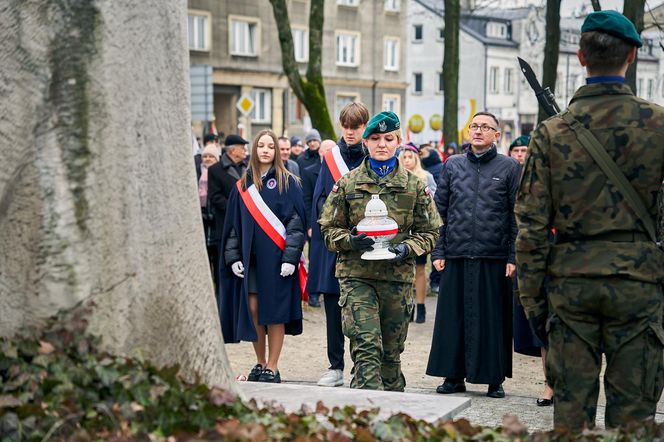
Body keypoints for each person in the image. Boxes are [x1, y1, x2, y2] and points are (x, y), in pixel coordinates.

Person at [515, 10, 664, 430]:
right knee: (634, 422)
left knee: (572, 422)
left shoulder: (550, 133)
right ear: (632, 56)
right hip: (639, 287)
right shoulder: (659, 126)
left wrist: (534, 302)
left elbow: (530, 227)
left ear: (580, 57)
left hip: (571, 287)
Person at [319, 111, 441, 391]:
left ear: (399, 141)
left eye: (388, 138)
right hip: (356, 276)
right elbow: (328, 229)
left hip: (396, 278)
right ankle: (364, 416)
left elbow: (431, 231)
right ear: (365, 142)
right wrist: (350, 240)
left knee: (390, 354)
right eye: (375, 139)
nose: (382, 144)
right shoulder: (347, 183)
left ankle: (392, 417)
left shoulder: (414, 186)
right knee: (366, 347)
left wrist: (406, 248)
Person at [426, 111, 520, 399]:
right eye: (474, 126)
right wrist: (438, 249)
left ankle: (494, 378)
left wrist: (512, 256)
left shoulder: (510, 167)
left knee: (493, 319)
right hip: (456, 253)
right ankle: (453, 377)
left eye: (485, 127)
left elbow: (516, 215)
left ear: (496, 135)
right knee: (452, 319)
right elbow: (438, 212)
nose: (478, 131)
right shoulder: (452, 165)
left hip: (493, 256)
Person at [219, 129, 306, 384]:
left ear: (277, 151)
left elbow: (296, 224)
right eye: (261, 146)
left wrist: (291, 259)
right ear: (254, 150)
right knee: (254, 310)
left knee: (275, 312)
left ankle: (273, 365)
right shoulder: (243, 185)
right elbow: (234, 226)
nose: (265, 150)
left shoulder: (288, 182)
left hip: (278, 261)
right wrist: (233, 257)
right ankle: (259, 361)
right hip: (251, 261)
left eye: (270, 146)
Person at [308, 102, 369, 386]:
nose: (349, 132)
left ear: (364, 127)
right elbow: (320, 199)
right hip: (337, 243)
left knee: (362, 308)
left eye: (355, 126)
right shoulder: (330, 158)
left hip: (366, 242)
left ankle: (363, 366)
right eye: (345, 126)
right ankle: (335, 366)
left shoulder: (372, 156)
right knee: (333, 305)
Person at [508, 135, 556, 407]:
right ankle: (550, 385)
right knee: (546, 326)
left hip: (574, 256)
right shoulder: (530, 184)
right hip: (542, 256)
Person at [399, 143, 437, 323]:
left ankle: (420, 306)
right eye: (404, 157)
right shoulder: (396, 176)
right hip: (401, 230)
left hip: (419, 230)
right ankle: (407, 306)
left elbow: (433, 202)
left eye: (410, 157)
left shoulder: (426, 177)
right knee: (404, 270)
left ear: (416, 158)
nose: (407, 161)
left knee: (420, 269)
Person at [207, 134, 250, 269]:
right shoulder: (215, 170)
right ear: (232, 150)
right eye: (242, 148)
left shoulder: (249, 168)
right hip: (225, 222)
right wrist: (234, 208)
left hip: (246, 221)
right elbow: (215, 197)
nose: (245, 151)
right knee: (225, 262)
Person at [199, 144, 221, 285]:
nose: (207, 159)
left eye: (211, 156)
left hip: (216, 227)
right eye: (205, 156)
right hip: (202, 227)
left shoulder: (219, 174)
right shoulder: (197, 173)